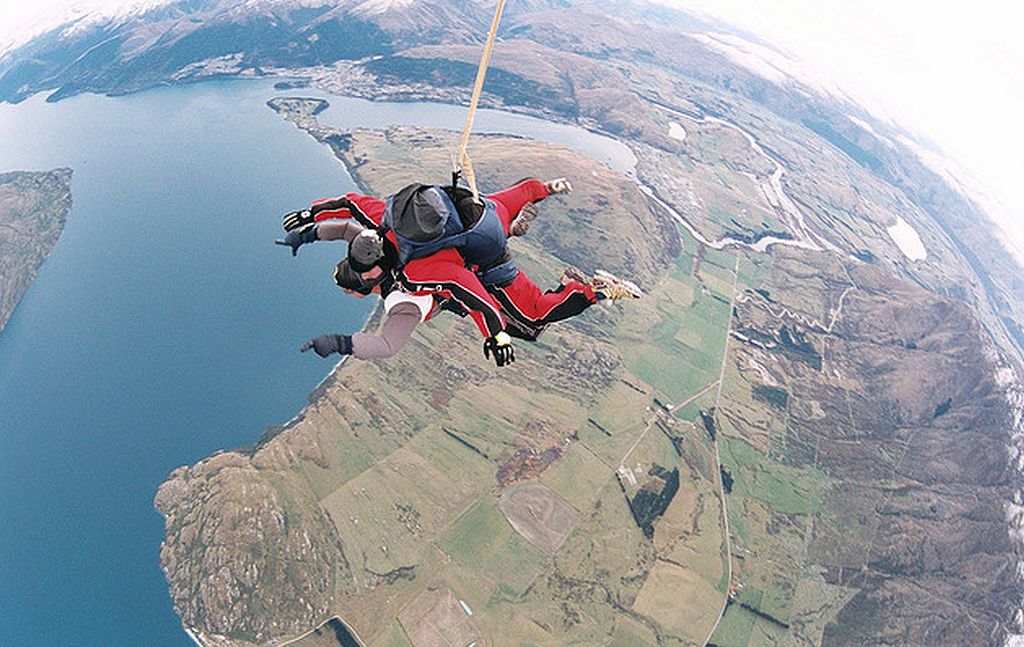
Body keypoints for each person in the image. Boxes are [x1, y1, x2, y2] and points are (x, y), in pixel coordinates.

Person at [278, 178, 642, 366]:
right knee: (512, 200)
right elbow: (347, 212)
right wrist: (307, 228)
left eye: (352, 286)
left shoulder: (411, 282)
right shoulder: (383, 226)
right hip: (477, 212)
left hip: (490, 267)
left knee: (533, 322)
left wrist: (495, 335)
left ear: (370, 279)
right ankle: (536, 199)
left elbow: (472, 294)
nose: (349, 291)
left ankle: (593, 289)